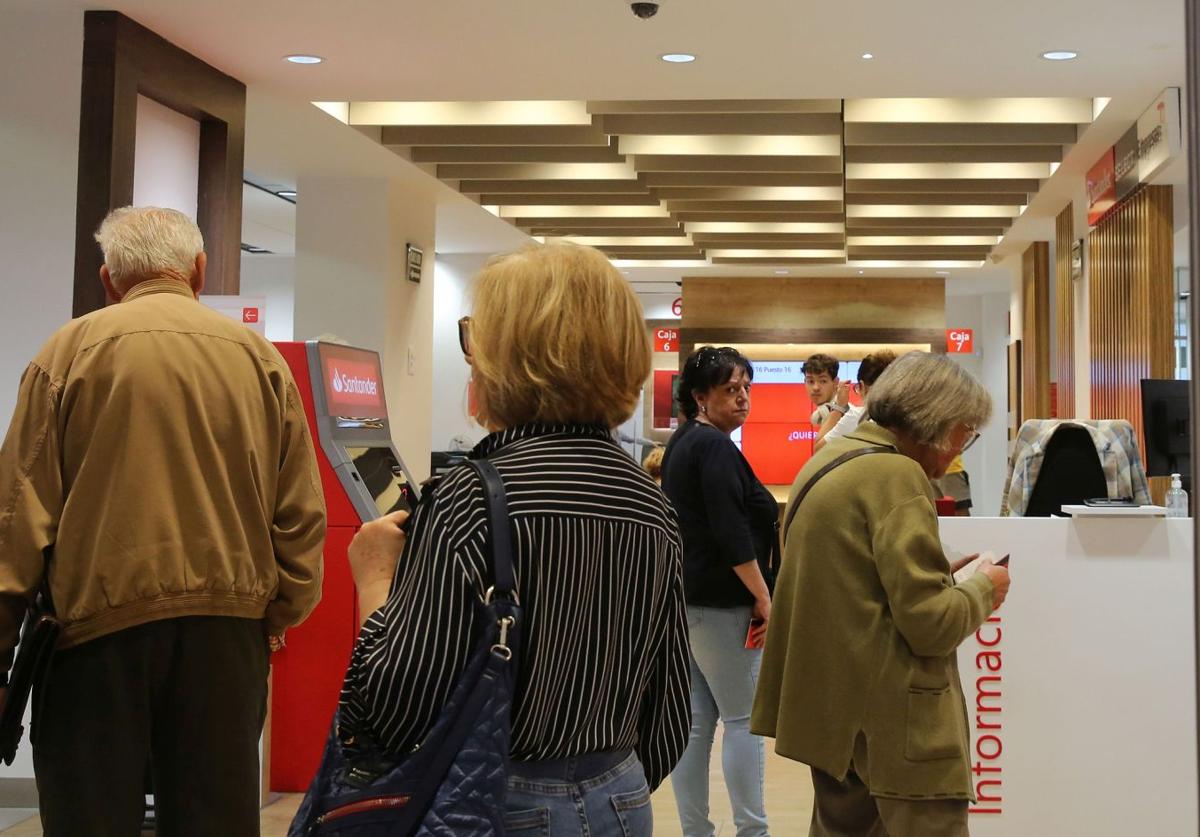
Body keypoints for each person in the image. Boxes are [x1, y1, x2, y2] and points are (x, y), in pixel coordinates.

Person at [340, 242, 690, 836]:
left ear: (508, 355)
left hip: (495, 798)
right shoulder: (649, 500)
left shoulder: (469, 499)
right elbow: (670, 705)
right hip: (622, 796)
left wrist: (374, 579)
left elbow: (396, 708)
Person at [0, 206, 326, 835]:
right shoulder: (260, 360)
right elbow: (300, 516)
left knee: (89, 819)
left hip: (94, 642)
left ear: (108, 278)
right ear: (199, 270)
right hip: (226, 639)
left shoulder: (67, 355)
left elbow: (16, 517)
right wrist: (274, 613)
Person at [753, 352, 1011, 837]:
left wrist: (941, 582)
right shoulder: (897, 476)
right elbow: (931, 626)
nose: (962, 447)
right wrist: (983, 589)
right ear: (936, 423)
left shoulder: (828, 458)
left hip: (835, 722)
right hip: (899, 726)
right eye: (965, 431)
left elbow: (856, 586)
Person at [662, 346, 776, 837]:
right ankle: (753, 832)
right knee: (743, 720)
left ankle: (696, 831)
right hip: (724, 603)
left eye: (746, 388)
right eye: (731, 390)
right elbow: (733, 535)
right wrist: (765, 595)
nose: (743, 398)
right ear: (699, 397)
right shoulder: (715, 448)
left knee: (696, 725)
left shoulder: (683, 442)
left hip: (687, 601)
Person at [813, 350, 897, 452]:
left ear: (862, 386)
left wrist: (838, 407)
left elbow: (819, 449)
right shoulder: (908, 418)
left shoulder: (858, 416)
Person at [803, 353, 840, 427]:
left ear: (836, 382)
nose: (815, 388)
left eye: (823, 381)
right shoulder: (820, 415)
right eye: (810, 381)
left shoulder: (847, 417)